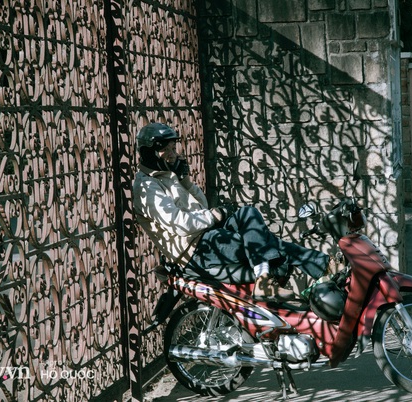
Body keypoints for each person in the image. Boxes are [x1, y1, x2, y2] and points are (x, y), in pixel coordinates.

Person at [132, 122, 332, 302]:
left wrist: (185, 182)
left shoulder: (168, 175)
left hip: (206, 236)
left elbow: (201, 205)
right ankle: (324, 267)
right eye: (166, 150)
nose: (173, 154)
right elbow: (181, 224)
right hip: (194, 250)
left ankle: (269, 279)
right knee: (268, 245)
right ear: (149, 152)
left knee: (248, 213)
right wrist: (213, 216)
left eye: (173, 148)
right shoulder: (148, 186)